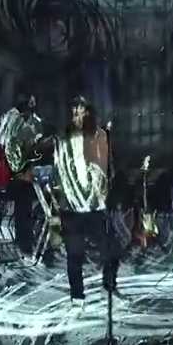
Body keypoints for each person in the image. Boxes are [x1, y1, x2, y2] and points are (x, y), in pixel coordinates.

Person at [52, 95, 119, 312]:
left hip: (95, 207)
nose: (78, 116)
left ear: (88, 112)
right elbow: (58, 172)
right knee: (75, 254)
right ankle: (77, 296)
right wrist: (59, 204)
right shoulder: (62, 139)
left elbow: (108, 168)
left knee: (111, 249)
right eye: (74, 112)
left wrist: (107, 195)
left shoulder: (99, 136)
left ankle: (109, 284)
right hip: (72, 210)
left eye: (81, 112)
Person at [0, 93, 43, 255]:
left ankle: (23, 242)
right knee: (24, 208)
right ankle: (25, 244)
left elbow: (0, 141)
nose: (33, 105)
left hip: (15, 168)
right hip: (18, 169)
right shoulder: (17, 120)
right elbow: (21, 143)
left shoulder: (8, 117)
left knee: (22, 208)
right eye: (31, 102)